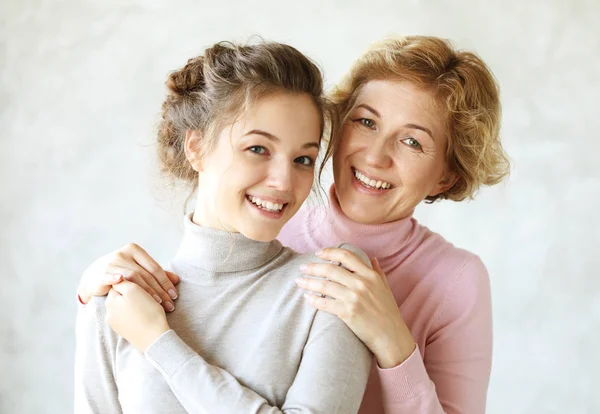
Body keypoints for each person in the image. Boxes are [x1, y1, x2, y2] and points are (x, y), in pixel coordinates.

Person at [78, 35, 510, 414]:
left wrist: (394, 344)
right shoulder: (266, 218)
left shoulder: (451, 280)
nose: (376, 156)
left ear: (447, 176)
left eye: (413, 141)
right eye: (365, 122)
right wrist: (96, 294)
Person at [74, 40, 373, 414]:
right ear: (196, 148)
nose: (284, 181)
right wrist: (99, 306)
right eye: (258, 149)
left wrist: (160, 343)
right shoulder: (115, 299)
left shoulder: (333, 284)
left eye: (302, 159)